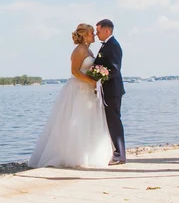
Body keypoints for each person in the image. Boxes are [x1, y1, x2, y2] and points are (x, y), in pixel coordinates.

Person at [28, 23, 114, 168]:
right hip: (79, 89)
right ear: (85, 35)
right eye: (92, 33)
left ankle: (89, 153)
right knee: (78, 120)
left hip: (89, 89)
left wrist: (96, 79)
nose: (94, 35)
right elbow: (74, 71)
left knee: (89, 121)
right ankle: (76, 156)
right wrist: (91, 81)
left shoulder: (88, 50)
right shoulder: (79, 50)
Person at [93, 19, 126, 164]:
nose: (96, 34)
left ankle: (119, 155)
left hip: (112, 90)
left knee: (114, 121)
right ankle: (117, 153)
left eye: (98, 31)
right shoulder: (108, 45)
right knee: (111, 121)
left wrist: (98, 75)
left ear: (107, 31)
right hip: (108, 90)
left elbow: (114, 69)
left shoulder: (112, 46)